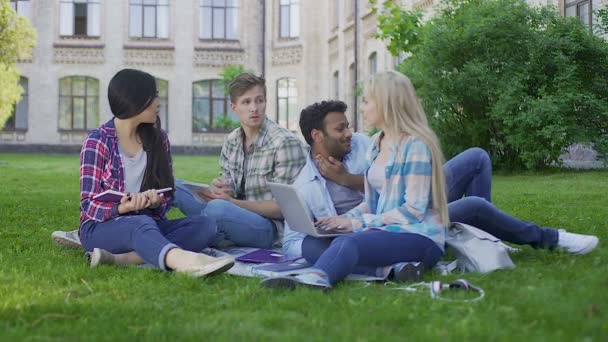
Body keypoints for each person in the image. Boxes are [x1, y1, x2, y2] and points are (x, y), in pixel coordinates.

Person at [281, 100, 599, 262]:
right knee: (473, 206)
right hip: (396, 225)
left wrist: (345, 177)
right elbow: (295, 240)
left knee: (476, 157)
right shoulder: (308, 183)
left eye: (349, 125)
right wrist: (331, 230)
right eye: (341, 129)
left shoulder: (365, 143)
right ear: (317, 136)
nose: (350, 132)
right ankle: (549, 238)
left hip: (413, 202)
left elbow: (397, 180)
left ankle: (486, 238)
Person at [262, 71, 450, 289]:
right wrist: (340, 220)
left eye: (367, 101)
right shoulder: (376, 144)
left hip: (419, 236)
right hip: (386, 231)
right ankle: (390, 271)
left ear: (386, 103)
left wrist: (355, 224)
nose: (362, 107)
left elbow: (414, 211)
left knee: (348, 242)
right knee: (315, 242)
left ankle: (315, 279)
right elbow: (372, 204)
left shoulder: (415, 146)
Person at [78, 69, 234, 276]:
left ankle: (124, 259)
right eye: (154, 96)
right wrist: (122, 208)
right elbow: (88, 204)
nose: (159, 102)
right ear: (134, 99)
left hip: (148, 222)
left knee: (205, 225)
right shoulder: (97, 141)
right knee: (138, 223)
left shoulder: (159, 139)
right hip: (101, 228)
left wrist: (156, 202)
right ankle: (186, 262)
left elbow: (167, 195)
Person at [172, 73, 307, 249]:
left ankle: (204, 232)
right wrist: (219, 187)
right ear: (234, 107)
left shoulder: (285, 143)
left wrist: (231, 203)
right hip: (233, 212)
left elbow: (285, 209)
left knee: (217, 209)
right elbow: (230, 188)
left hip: (269, 228)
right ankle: (211, 231)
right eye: (246, 102)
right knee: (174, 187)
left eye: (259, 100)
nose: (254, 108)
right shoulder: (233, 140)